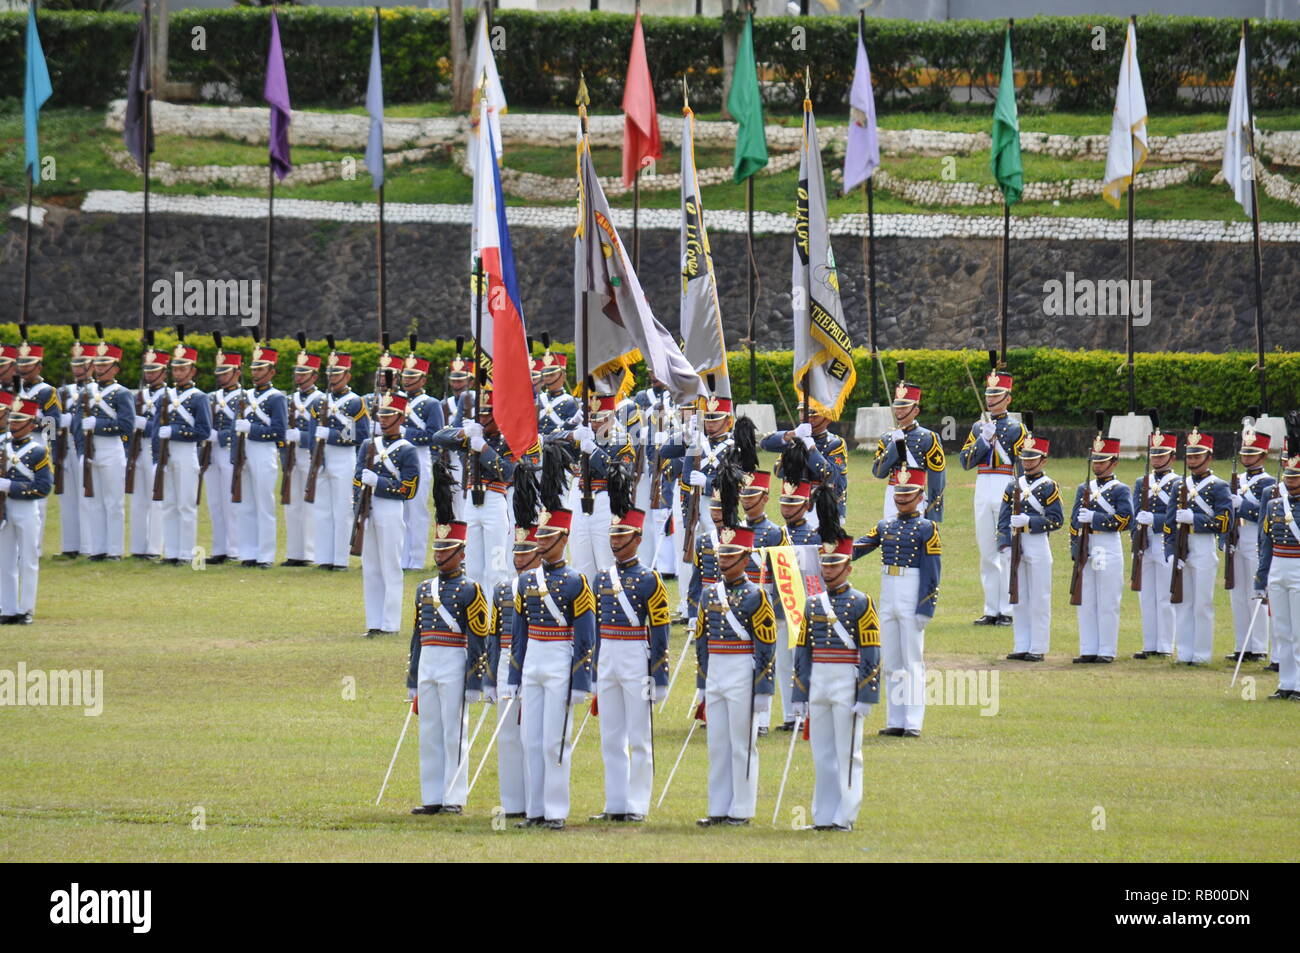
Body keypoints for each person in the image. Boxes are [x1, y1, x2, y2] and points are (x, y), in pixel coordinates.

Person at [506, 508, 596, 830]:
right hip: (533, 660)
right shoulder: (526, 582)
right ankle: (534, 810)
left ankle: (555, 811)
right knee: (531, 739)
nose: (541, 541)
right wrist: (514, 676)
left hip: (560, 657)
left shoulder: (577, 582)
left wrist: (582, 680)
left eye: (548, 535)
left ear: (564, 538)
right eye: (539, 535)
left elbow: (586, 637)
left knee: (554, 740)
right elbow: (519, 635)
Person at [790, 535, 881, 831]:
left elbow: (871, 649)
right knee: (823, 752)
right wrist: (799, 692)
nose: (828, 571)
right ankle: (823, 816)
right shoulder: (813, 603)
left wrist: (867, 693)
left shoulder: (861, 602)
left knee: (848, 752)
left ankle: (846, 815)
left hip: (846, 679)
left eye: (835, 565)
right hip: (819, 679)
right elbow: (803, 649)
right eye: (825, 565)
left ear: (848, 568)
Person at [590, 508, 671, 823]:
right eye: (613, 534)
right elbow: (596, 628)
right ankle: (615, 802)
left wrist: (659, 676)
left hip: (636, 654)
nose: (615, 540)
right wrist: (595, 670)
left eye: (622, 535)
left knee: (638, 736)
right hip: (608, 652)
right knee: (611, 736)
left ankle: (637, 803)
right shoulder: (601, 578)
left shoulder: (649, 579)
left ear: (638, 539)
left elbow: (661, 631)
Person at [694, 525, 776, 827]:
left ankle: (741, 808)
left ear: (745, 558)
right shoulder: (709, 593)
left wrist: (764, 688)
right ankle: (718, 806)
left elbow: (767, 645)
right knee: (717, 743)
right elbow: (701, 641)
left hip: (742, 668)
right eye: (722, 553)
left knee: (742, 743)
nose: (723, 560)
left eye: (731, 554)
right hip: (716, 667)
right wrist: (702, 683)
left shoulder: (756, 596)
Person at [407, 520, 490, 815]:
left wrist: (474, 682)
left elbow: (479, 640)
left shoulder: (471, 590)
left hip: (455, 660)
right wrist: (413, 679)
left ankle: (453, 797)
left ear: (461, 553)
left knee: (454, 732)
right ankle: (432, 796)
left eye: (447, 549)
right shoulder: (423, 588)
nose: (440, 555)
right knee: (429, 731)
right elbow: (417, 636)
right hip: (429, 659)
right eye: (438, 548)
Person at [852, 467, 941, 738]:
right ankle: (896, 719)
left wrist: (926, 606)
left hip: (911, 588)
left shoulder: (927, 528)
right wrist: (833, 551)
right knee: (891, 660)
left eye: (908, 493)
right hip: (888, 589)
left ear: (920, 496)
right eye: (899, 492)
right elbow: (860, 546)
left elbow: (932, 571)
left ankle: (913, 721)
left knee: (912, 660)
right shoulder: (885, 525)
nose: (901, 498)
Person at [433, 385, 522, 597]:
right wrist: (463, 432)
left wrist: (483, 448)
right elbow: (438, 437)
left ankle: (497, 622)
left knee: (497, 567)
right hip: (471, 502)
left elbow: (507, 472)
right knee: (472, 569)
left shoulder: (507, 440)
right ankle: (478, 621)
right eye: (480, 413)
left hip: (494, 501)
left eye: (487, 413)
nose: (483, 418)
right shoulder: (470, 436)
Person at [959, 370, 1025, 626]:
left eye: (997, 395)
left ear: (1008, 398)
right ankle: (990, 608)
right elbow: (965, 461)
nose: (991, 399)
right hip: (983, 484)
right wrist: (983, 440)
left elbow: (1022, 464)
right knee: (987, 550)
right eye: (989, 394)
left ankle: (1008, 609)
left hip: (1006, 483)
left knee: (1006, 549)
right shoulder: (978, 428)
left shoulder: (1017, 428)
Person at [1163, 428, 1231, 666]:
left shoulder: (1218, 486)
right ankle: (1183, 652)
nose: (1191, 461)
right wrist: (1170, 551)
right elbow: (1169, 523)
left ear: (1208, 457)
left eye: (1196, 456)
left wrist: (1197, 520)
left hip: (1203, 545)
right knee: (1182, 601)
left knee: (1202, 603)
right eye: (1189, 457)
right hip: (1182, 546)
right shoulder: (1178, 486)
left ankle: (1201, 654)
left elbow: (1225, 521)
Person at [357, 393, 420, 638]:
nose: (383, 420)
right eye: (381, 415)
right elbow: (357, 475)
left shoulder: (408, 450)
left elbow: (409, 489)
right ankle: (373, 622)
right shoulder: (368, 445)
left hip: (391, 507)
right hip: (368, 506)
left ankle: (390, 623)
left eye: (388, 415)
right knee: (370, 566)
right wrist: (358, 505)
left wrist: (379, 483)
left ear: (400, 417)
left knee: (390, 566)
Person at [487, 525, 540, 819]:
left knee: (532, 734)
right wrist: (490, 677)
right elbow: (494, 634)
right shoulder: (503, 589)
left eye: (526, 553)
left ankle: (535, 802)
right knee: (507, 734)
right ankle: (512, 802)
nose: (519, 559)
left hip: (537, 655)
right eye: (516, 552)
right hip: (508, 660)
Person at [996, 431, 1063, 661]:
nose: (1027, 462)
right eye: (1025, 457)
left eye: (1032, 458)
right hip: (1016, 542)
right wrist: (1004, 544)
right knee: (1019, 595)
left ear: (1043, 460)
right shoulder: (1013, 484)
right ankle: (1021, 644)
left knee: (1039, 597)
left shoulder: (1048, 486)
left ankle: (1038, 647)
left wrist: (1031, 522)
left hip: (1036, 541)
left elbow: (1056, 520)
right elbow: (1003, 518)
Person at [1070, 436, 1133, 664]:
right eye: (1095, 460)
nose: (1097, 465)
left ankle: (1106, 650)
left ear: (1113, 462)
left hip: (1106, 545)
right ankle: (1088, 648)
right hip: (1088, 545)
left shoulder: (1120, 490)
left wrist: (1096, 518)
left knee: (1107, 599)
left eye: (1101, 461)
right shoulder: (1083, 488)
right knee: (1086, 599)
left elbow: (1126, 520)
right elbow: (1074, 521)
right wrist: (1076, 548)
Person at [155, 342, 212, 565]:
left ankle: (187, 553)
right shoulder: (164, 396)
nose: (177, 373)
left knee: (186, 505)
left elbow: (203, 431)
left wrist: (176, 432)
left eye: (182, 369)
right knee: (168, 504)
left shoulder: (199, 397)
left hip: (186, 452)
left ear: (192, 371)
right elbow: (155, 427)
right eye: (175, 369)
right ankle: (170, 552)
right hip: (166, 454)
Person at [569, 394, 635, 582]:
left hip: (607, 500)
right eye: (593, 418)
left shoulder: (622, 441)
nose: (597, 424)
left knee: (607, 561)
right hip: (580, 498)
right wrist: (571, 430)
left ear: (612, 417)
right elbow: (549, 439)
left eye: (601, 418)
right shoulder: (583, 434)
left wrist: (595, 452)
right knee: (581, 562)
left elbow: (620, 472)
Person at [313, 350, 369, 571]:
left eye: (337, 373)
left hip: (343, 457)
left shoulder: (355, 402)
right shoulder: (320, 400)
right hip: (322, 456)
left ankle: (340, 559)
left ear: (347, 375)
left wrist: (333, 436)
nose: (332, 377)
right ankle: (324, 557)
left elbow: (361, 435)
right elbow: (312, 431)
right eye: (330, 372)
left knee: (342, 509)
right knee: (323, 509)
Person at [232, 345, 287, 569]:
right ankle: (248, 552)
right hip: (245, 451)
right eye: (254, 369)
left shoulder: (276, 398)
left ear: (271, 371)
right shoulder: (244, 396)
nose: (255, 373)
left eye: (260, 369)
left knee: (264, 504)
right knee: (246, 504)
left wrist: (252, 430)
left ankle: (265, 554)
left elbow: (279, 431)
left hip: (264, 450)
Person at [81, 340, 135, 561]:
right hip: (91, 449)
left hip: (112, 448)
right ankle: (98, 548)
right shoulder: (88, 391)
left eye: (105, 365)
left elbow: (126, 426)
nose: (100, 368)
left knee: (114, 502)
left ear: (116, 368)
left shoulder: (122, 393)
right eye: (98, 364)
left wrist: (98, 425)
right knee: (94, 502)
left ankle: (114, 550)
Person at [0, 397, 53, 624]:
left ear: (31, 424)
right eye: (12, 420)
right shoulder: (2, 446)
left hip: (26, 507)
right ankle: (7, 608)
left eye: (19, 421)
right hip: (4, 509)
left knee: (28, 559)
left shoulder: (38, 451)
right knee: (5, 560)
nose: (13, 425)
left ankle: (26, 609)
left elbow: (42, 488)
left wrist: (11, 486)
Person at [1254, 446, 1300, 700]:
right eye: (1288, 476)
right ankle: (1286, 683)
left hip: (1298, 565)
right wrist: (1262, 578)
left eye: (1295, 477)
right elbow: (1266, 544)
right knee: (1281, 629)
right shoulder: (1273, 504)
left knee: (1299, 631)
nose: (1290, 481)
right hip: (1278, 566)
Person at [1226, 428, 1275, 662]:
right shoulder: (1237, 479)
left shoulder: (1269, 483)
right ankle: (1241, 644)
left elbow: (1266, 516)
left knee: (1256, 594)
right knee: (1238, 594)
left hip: (1256, 538)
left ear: (1263, 456)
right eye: (1244, 453)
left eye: (1252, 453)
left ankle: (1258, 646)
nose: (1246, 457)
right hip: (1237, 537)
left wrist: (1242, 506)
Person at [1131, 430, 1179, 659]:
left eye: (1162, 455)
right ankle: (1149, 643)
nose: (1157, 459)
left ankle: (1165, 645)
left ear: (1172, 457)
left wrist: (1157, 521)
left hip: (1165, 540)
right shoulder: (1142, 482)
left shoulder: (1178, 483)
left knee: (1164, 595)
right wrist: (1136, 538)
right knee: (1146, 596)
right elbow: (1133, 513)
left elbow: (1179, 515)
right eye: (1154, 454)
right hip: (1145, 541)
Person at [760, 405, 849, 528]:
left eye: (814, 417)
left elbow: (829, 475)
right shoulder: (794, 438)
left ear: (827, 419)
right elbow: (765, 445)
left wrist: (811, 449)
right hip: (795, 500)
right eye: (802, 413)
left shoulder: (835, 443)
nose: (805, 418)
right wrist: (793, 434)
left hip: (823, 504)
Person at [398, 352, 445, 571]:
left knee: (416, 510)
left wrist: (405, 432)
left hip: (419, 456)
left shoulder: (431, 404)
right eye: (405, 376)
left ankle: (415, 559)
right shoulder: (396, 399)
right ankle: (400, 556)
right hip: (397, 457)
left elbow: (435, 435)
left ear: (423, 379)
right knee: (399, 511)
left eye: (412, 376)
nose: (407, 380)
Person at [872, 380, 945, 521]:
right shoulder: (887, 438)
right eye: (897, 408)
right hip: (893, 491)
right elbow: (878, 472)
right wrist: (894, 446)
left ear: (915, 410)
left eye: (904, 408)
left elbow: (937, 476)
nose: (899, 412)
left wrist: (933, 509)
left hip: (916, 493)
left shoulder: (928, 437)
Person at [282, 348, 325, 567]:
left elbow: (323, 432)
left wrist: (303, 436)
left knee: (310, 503)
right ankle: (294, 552)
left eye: (304, 372)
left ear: (314, 376)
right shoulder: (290, 399)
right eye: (297, 371)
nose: (299, 376)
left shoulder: (321, 400)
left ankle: (309, 552)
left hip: (311, 454)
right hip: (291, 455)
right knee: (292, 504)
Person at [15, 337, 59, 546]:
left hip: (36, 444)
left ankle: (36, 545)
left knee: (37, 496)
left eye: (28, 364)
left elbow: (53, 425)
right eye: (21, 363)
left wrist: (38, 421)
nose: (24, 368)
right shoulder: (12, 390)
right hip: (12, 445)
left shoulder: (46, 391)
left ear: (39, 365)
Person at [204, 347, 243, 565]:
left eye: (225, 372)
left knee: (231, 502)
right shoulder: (212, 397)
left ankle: (234, 548)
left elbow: (241, 425)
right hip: (211, 452)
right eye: (219, 372)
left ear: (236, 372)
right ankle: (219, 548)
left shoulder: (243, 397)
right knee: (215, 502)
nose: (220, 376)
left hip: (230, 450)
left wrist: (219, 436)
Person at [55, 335, 93, 558]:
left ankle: (88, 546)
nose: (77, 369)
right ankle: (70, 546)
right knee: (66, 499)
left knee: (85, 497)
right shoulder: (62, 392)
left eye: (82, 364)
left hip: (83, 446)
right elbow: (48, 421)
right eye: (75, 364)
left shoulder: (96, 391)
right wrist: (51, 438)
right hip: (63, 447)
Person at [129, 342, 167, 561]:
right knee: (138, 500)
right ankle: (138, 546)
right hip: (138, 449)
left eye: (154, 370)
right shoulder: (139, 396)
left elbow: (165, 426)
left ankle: (154, 547)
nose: (149, 374)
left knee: (156, 500)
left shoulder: (169, 395)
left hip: (157, 450)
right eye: (147, 369)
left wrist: (146, 425)